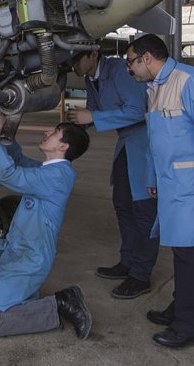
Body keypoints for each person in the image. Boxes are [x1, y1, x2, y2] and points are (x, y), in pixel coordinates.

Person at [125, 34, 194, 349]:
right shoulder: (155, 89)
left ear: (147, 58)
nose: (130, 70)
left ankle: (191, 325)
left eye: (131, 62)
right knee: (181, 250)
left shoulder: (190, 82)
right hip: (174, 187)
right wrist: (152, 176)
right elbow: (156, 140)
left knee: (189, 254)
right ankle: (181, 307)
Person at [0, 117, 92, 340]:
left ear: (63, 146)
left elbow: (8, 174)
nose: (47, 132)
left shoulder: (58, 176)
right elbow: (18, 159)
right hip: (11, 250)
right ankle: (13, 294)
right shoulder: (46, 169)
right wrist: (5, 134)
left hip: (29, 259)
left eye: (56, 131)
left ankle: (60, 304)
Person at [67, 50, 159, 299]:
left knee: (143, 211)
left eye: (77, 58)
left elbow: (136, 111)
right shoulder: (91, 78)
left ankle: (141, 275)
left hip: (143, 146)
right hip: (126, 147)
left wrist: (92, 116)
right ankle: (127, 261)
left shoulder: (119, 70)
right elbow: (96, 111)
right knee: (122, 205)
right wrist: (79, 122)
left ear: (92, 53)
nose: (73, 64)